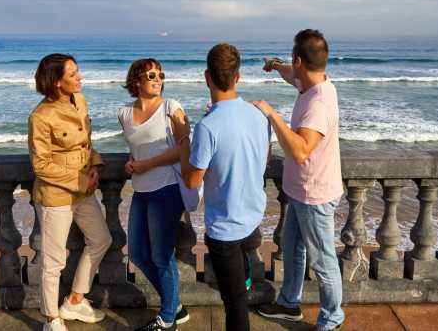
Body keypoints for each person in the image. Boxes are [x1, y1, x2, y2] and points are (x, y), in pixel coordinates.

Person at [169, 43, 271, 331]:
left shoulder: (208, 127)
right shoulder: (258, 115)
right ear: (237, 77)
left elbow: (192, 180)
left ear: (206, 77)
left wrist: (182, 139)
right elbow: (259, 161)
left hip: (225, 227)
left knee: (235, 302)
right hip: (252, 217)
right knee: (241, 286)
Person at [253, 29, 345, 331]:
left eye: (293, 62)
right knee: (292, 247)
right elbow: (291, 74)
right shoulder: (312, 80)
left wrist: (271, 114)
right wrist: (276, 64)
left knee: (323, 260)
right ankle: (289, 304)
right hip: (301, 191)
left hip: (315, 194)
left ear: (300, 60)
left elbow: (301, 150)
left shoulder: (318, 103)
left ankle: (332, 319)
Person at [28, 53, 112, 331]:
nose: (80, 78)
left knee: (101, 239)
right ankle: (51, 318)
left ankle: (75, 299)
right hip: (56, 196)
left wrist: (94, 166)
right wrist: (79, 180)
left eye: (78, 72)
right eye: (73, 75)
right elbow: (41, 165)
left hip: (85, 192)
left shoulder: (80, 100)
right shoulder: (40, 116)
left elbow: (86, 144)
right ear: (56, 82)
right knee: (53, 261)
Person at [117, 59, 190, 331]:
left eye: (160, 74)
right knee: (137, 253)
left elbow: (186, 148)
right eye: (151, 74)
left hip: (167, 189)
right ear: (136, 80)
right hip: (141, 190)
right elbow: (137, 146)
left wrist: (146, 165)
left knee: (162, 256)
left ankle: (168, 319)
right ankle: (175, 305)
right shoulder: (124, 114)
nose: (158, 78)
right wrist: (130, 160)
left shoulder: (172, 108)